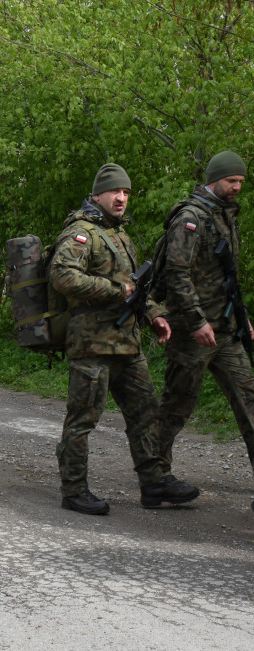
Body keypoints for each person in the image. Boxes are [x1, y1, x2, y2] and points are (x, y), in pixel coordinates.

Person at [50, 163, 200, 514]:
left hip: (126, 343)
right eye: (115, 192)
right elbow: (62, 275)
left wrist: (155, 315)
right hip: (92, 344)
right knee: (83, 418)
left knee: (146, 412)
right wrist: (116, 290)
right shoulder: (81, 232)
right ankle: (73, 490)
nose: (121, 198)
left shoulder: (120, 236)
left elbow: (136, 289)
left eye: (126, 193)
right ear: (97, 194)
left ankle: (155, 482)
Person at [156, 151, 254, 510]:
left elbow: (227, 276)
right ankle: (156, 477)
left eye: (241, 181)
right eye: (232, 181)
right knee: (177, 405)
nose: (237, 187)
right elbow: (176, 275)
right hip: (191, 332)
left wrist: (241, 317)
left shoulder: (224, 216)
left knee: (249, 399)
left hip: (226, 331)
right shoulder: (191, 218)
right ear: (215, 179)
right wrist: (197, 321)